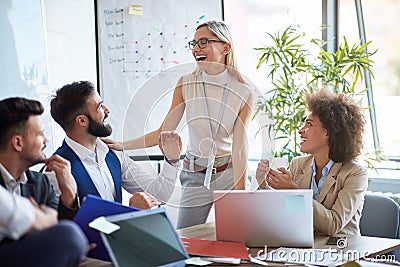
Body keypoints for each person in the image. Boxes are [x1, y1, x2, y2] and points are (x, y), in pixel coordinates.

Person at [104, 20, 254, 228]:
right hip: (194, 174)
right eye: (194, 44)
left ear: (226, 47)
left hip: (228, 173)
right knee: (186, 236)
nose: (196, 49)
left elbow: (239, 147)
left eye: (203, 42)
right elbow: (164, 131)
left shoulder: (244, 91)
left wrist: (241, 191)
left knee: (234, 236)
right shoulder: (186, 83)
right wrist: (122, 145)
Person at [50, 81, 182, 209]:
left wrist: (172, 161)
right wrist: (130, 213)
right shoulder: (57, 170)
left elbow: (158, 195)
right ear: (82, 120)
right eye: (100, 106)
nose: (107, 110)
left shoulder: (113, 153)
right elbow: (66, 225)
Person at [256, 89, 368, 236]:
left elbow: (333, 225)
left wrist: (293, 191)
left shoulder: (355, 173)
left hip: (341, 250)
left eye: (309, 124)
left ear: (328, 133)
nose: (300, 131)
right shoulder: (298, 165)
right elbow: (290, 215)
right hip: (303, 246)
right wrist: (263, 184)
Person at [0, 97, 87, 266]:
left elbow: (56, 231)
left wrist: (68, 193)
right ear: (17, 142)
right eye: (40, 134)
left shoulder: (40, 183)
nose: (46, 141)